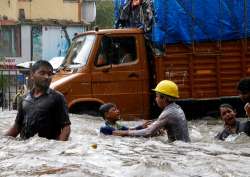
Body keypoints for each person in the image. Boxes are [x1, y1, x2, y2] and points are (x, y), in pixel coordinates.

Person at [5, 60, 71, 141]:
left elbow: (66, 127)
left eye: (50, 74)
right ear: (32, 75)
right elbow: (17, 127)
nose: (47, 77)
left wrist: (59, 149)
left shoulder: (57, 98)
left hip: (47, 149)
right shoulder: (24, 98)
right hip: (25, 148)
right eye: (42, 73)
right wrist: (3, 140)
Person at [113, 80, 191, 142]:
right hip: (183, 145)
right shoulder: (176, 108)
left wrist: (125, 133)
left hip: (179, 150)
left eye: (157, 96)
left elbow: (148, 132)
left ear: (164, 98)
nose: (155, 99)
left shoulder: (168, 113)